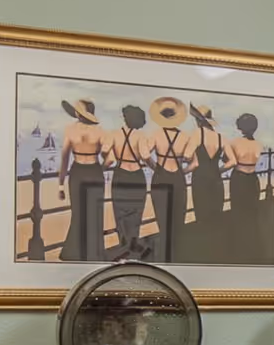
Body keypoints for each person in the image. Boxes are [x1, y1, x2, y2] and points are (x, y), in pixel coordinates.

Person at [57, 98, 108, 262]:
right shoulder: (100, 131)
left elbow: (64, 157)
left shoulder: (70, 130)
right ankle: (95, 253)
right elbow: (110, 156)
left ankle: (74, 253)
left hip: (77, 171)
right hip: (95, 171)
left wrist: (60, 185)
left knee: (78, 213)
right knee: (95, 213)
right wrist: (103, 167)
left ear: (78, 113)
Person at [224, 112, 274, 264]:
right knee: (252, 214)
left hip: (238, 178)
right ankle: (251, 248)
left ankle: (237, 249)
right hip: (253, 179)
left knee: (238, 213)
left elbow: (227, 159)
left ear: (240, 127)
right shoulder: (258, 144)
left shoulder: (234, 143)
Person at [183, 103, 228, 262]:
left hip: (200, 178)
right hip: (216, 179)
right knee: (215, 216)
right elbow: (232, 161)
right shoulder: (220, 137)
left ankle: (203, 253)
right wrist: (218, 170)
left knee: (201, 215)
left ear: (198, 120)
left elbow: (187, 156)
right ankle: (217, 252)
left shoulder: (197, 133)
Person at [107, 105, 154, 260]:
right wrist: (157, 169)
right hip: (136, 176)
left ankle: (123, 247)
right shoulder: (140, 136)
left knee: (120, 214)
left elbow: (105, 154)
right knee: (135, 213)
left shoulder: (114, 134)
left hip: (120, 174)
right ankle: (133, 246)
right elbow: (146, 157)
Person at [147, 97, 187, 263]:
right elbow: (194, 161)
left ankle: (163, 256)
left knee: (162, 220)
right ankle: (177, 254)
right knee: (178, 219)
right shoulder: (185, 136)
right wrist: (182, 170)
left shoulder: (156, 135)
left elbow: (144, 154)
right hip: (178, 177)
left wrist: (156, 167)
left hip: (161, 176)